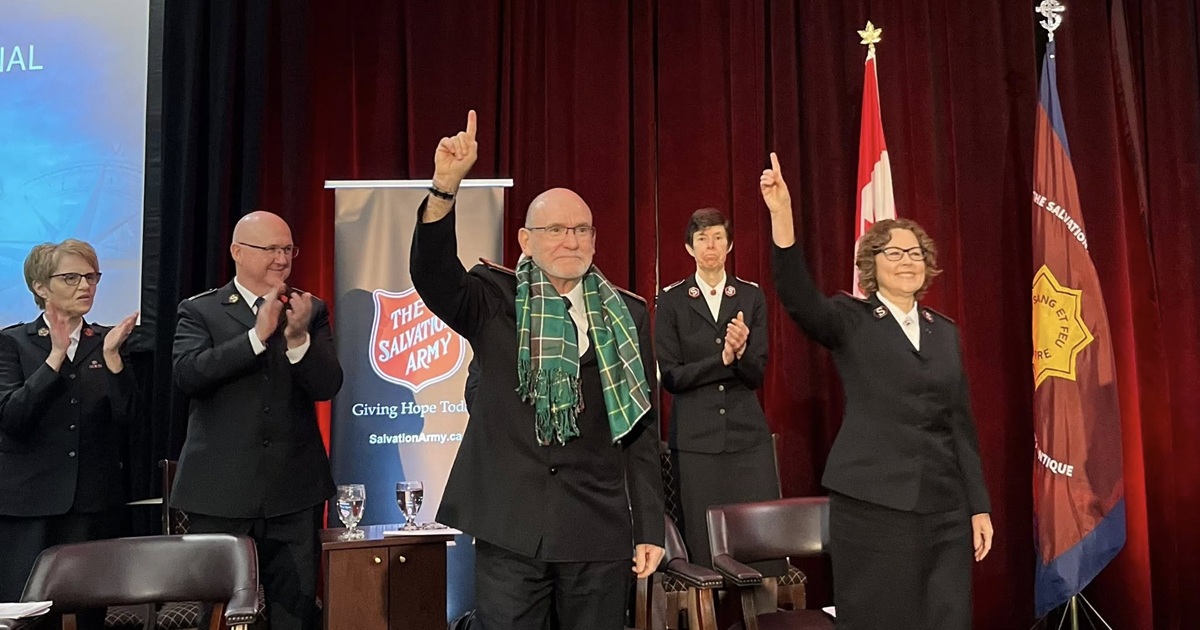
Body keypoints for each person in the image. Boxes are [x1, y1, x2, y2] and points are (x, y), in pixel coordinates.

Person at [410, 110, 665, 629]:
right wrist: (444, 189)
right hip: (510, 527)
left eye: (581, 230)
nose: (571, 241)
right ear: (526, 241)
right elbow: (433, 275)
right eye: (556, 230)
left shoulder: (628, 314)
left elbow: (639, 427)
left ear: (594, 240)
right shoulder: (492, 298)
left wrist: (650, 527)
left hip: (595, 529)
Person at [759, 153, 993, 629]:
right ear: (871, 264)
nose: (908, 261)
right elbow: (800, 299)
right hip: (873, 508)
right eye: (894, 252)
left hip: (944, 511)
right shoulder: (852, 320)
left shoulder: (944, 331)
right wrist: (782, 217)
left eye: (916, 253)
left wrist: (979, 506)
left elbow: (960, 423)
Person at [171, 211, 343, 630]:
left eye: (288, 249)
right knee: (219, 616)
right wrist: (254, 337)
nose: (282, 259)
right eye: (271, 249)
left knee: (295, 615)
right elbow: (189, 375)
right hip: (221, 495)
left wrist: (298, 339)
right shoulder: (201, 310)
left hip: (294, 493)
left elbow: (327, 385)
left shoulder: (307, 309)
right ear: (237, 252)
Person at [0, 239, 138, 628]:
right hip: (29, 507)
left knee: (90, 616)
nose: (85, 286)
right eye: (72, 278)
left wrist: (113, 360)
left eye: (92, 277)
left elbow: (129, 418)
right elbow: (12, 418)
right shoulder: (12, 343)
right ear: (40, 287)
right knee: (28, 616)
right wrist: (55, 358)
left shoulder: (108, 342)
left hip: (92, 505)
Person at [654, 207, 778, 568]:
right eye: (702, 238)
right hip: (696, 442)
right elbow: (672, 378)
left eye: (718, 237)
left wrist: (740, 354)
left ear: (730, 244)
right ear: (689, 247)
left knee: (760, 550)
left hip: (747, 439)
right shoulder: (672, 299)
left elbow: (756, 374)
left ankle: (762, 607)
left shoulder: (750, 296)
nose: (711, 246)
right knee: (704, 552)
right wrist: (722, 361)